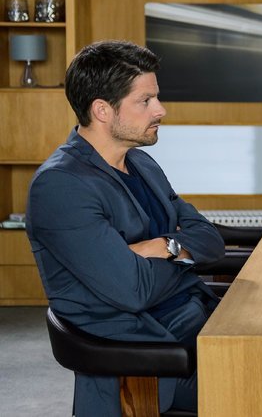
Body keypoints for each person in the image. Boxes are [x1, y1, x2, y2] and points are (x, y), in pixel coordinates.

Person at [26, 40, 225, 416]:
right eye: (145, 101)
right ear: (102, 109)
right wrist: (184, 260)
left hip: (196, 330)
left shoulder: (142, 164)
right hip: (152, 360)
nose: (160, 110)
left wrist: (164, 247)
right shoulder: (61, 186)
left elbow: (210, 241)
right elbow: (133, 291)